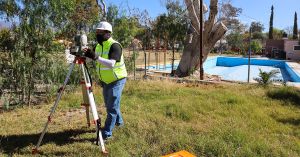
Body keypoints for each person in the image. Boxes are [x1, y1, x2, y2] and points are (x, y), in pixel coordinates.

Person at [83, 21, 127, 140]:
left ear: (108, 33)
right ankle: (120, 123)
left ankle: (106, 134)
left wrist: (96, 57)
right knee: (110, 105)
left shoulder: (115, 45)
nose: (97, 34)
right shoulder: (98, 46)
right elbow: (90, 60)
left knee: (111, 107)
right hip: (106, 81)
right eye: (97, 32)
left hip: (117, 79)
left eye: (99, 32)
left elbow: (111, 64)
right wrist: (83, 55)